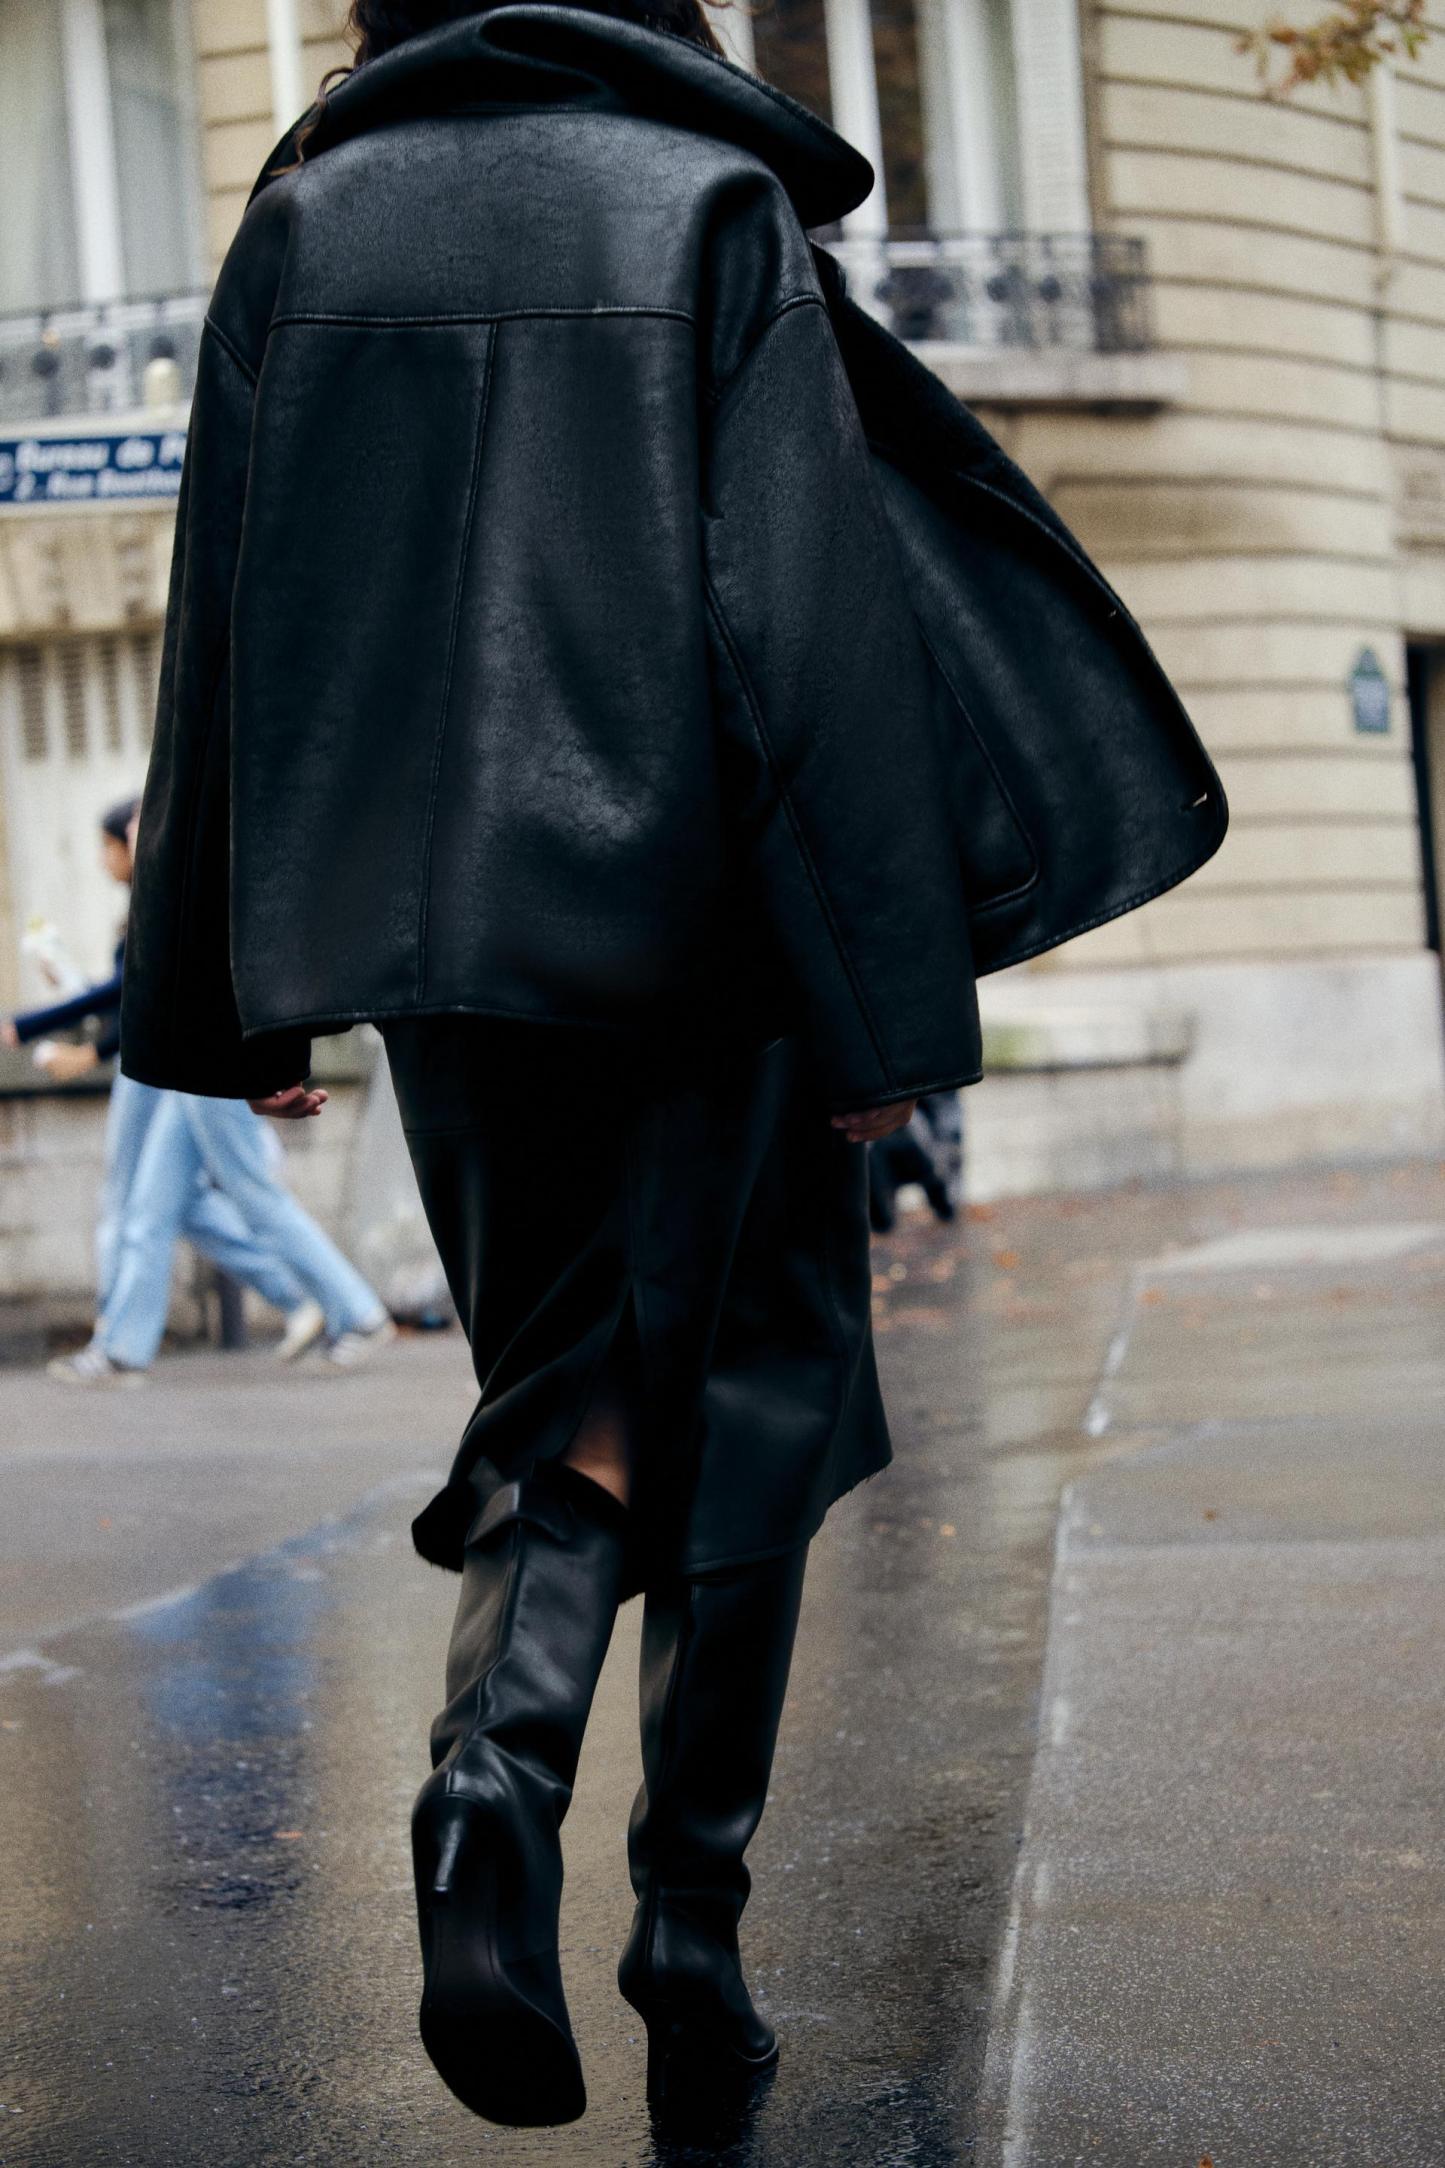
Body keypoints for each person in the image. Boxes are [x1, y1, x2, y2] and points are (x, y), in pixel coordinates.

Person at [118, 0, 1223, 2132]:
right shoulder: (711, 204)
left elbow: (224, 614)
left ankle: (507, 1788)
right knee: (762, 1375)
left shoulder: (308, 218)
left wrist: (220, 999)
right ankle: (664, 1911)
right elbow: (800, 640)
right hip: (705, 936)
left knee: (570, 1375)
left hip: (438, 956)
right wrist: (883, 1011)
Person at [3, 801, 389, 1384]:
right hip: (187, 1070)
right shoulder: (165, 893)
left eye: (132, 833)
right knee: (151, 1207)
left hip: (209, 1066)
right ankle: (123, 1348)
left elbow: (151, 986)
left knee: (249, 1195)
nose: (125, 843)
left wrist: (45, 1032)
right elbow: (142, 990)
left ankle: (356, 1313)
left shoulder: (190, 885)